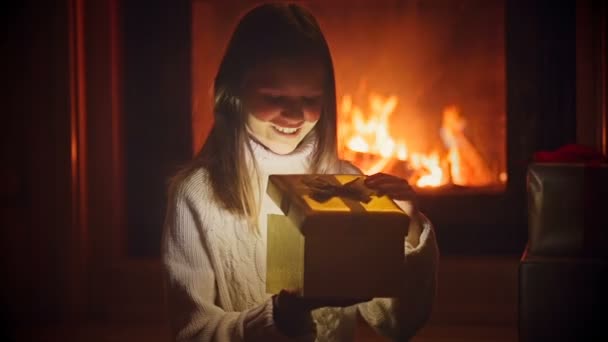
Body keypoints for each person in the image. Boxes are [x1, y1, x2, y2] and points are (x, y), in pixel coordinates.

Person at [162, 3, 439, 341]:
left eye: (310, 98)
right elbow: (192, 333)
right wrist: (279, 318)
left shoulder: (349, 184)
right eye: (274, 96)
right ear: (233, 93)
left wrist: (407, 233)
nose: (294, 114)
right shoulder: (197, 196)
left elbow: (397, 324)